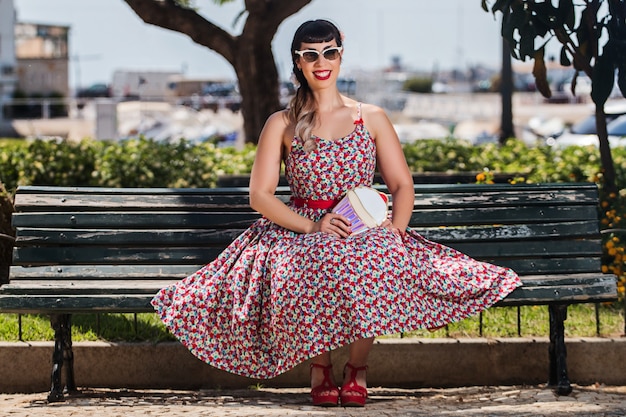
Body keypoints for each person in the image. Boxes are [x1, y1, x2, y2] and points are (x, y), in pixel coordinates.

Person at [151, 19, 522, 408]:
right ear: (298, 62)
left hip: (366, 226)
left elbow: (401, 186)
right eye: (311, 55)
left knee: (376, 258)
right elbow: (260, 196)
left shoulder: (371, 117)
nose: (321, 62)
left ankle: (357, 368)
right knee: (313, 261)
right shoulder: (282, 123)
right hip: (301, 226)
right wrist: (314, 225)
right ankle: (320, 367)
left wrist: (396, 230)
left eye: (329, 52)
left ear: (340, 55)